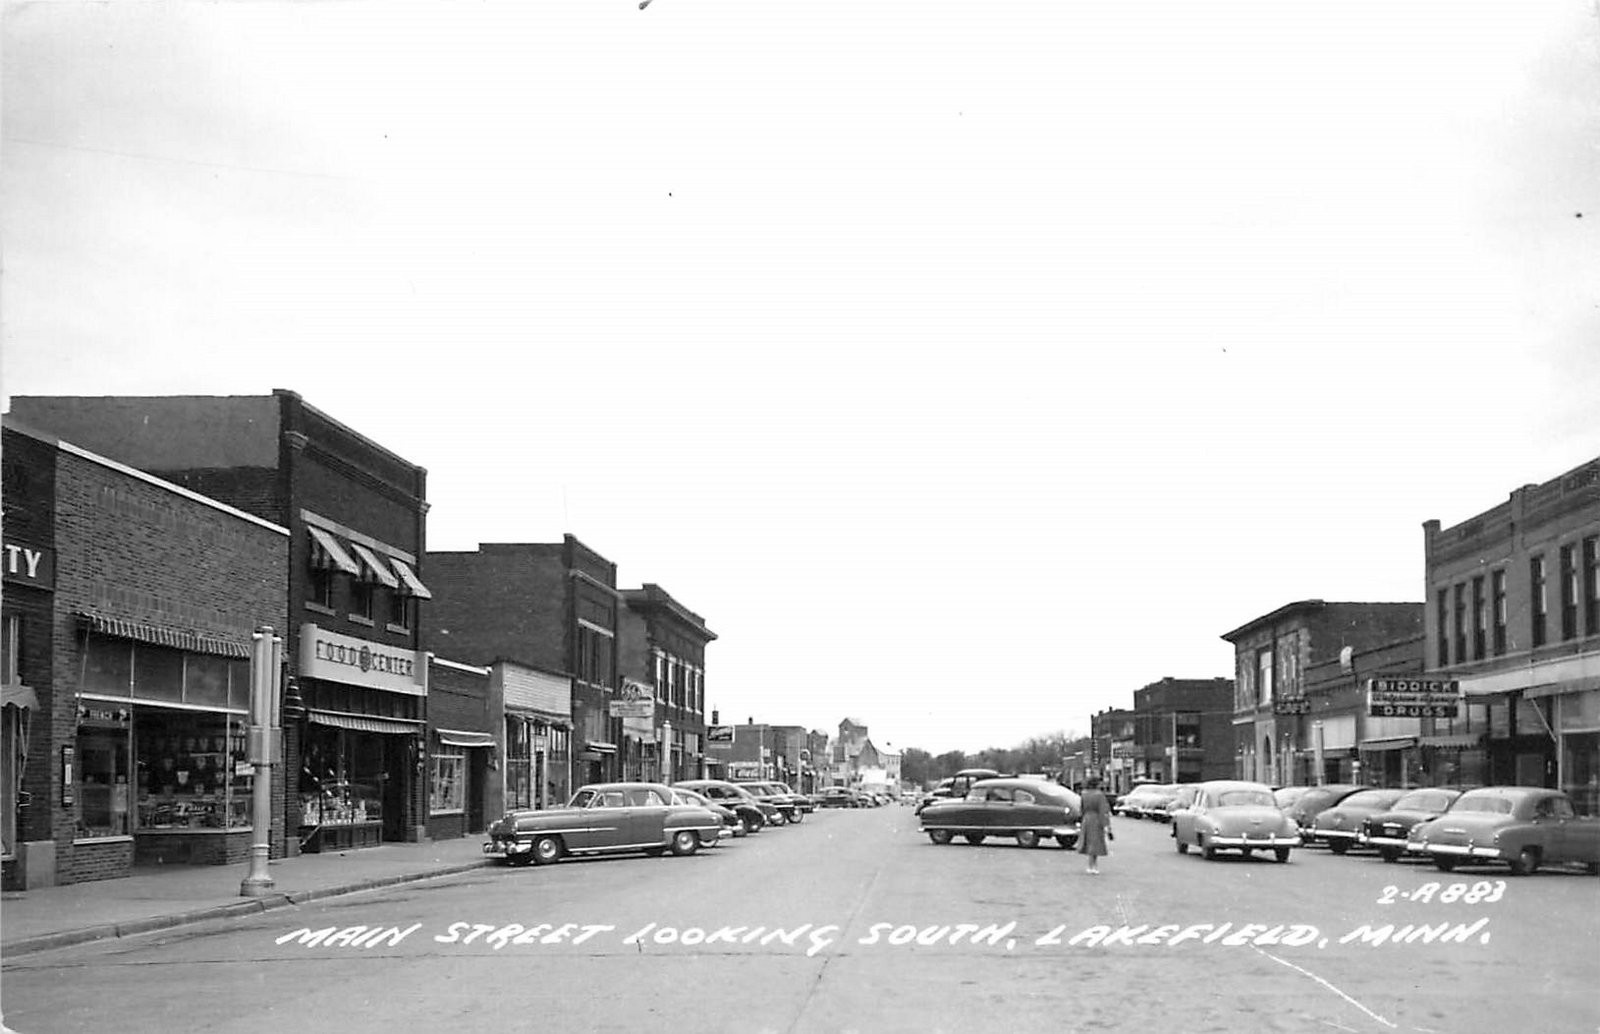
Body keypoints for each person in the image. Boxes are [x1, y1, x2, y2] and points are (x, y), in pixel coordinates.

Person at [1078, 775, 1112, 874]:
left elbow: (1082, 808)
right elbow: (1103, 810)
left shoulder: (1084, 794)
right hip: (1096, 819)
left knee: (1088, 841)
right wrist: (1106, 825)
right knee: (1096, 843)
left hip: (1086, 818)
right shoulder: (1099, 795)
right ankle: (1094, 866)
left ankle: (1089, 865)